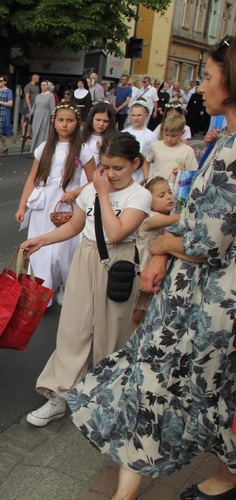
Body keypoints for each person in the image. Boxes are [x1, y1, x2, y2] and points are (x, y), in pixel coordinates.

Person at [66, 36, 236, 500]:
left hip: (209, 299)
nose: (200, 88)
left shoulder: (232, 151)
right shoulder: (227, 141)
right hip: (198, 292)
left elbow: (206, 240)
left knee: (168, 383)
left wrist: (161, 245)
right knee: (170, 383)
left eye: (207, 76)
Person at [22, 131, 151, 427]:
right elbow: (74, 227)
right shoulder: (92, 189)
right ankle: (59, 394)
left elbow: (118, 232)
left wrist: (103, 193)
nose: (110, 173)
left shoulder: (139, 194)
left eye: (118, 167)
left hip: (117, 262)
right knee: (73, 328)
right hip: (85, 256)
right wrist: (42, 239)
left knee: (111, 333)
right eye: (105, 166)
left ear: (135, 163)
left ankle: (107, 397)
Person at [15, 103, 95, 303]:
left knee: (62, 250)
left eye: (69, 121)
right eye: (60, 120)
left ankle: (62, 285)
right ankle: (41, 293)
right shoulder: (44, 147)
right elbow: (32, 178)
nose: (64, 125)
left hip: (66, 204)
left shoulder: (83, 150)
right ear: (54, 121)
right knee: (40, 246)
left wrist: (76, 192)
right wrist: (22, 205)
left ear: (77, 123)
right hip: (44, 203)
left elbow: (95, 181)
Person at [128, 177, 178, 333]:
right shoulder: (149, 217)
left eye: (170, 192)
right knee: (136, 313)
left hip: (156, 270)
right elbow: (171, 220)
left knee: (145, 312)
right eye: (161, 195)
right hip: (142, 270)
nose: (169, 197)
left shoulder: (167, 215)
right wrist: (191, 211)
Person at [142, 113, 197, 183]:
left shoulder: (187, 151)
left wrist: (183, 171)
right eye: (166, 134)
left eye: (174, 136)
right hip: (157, 187)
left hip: (176, 188)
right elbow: (146, 161)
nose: (169, 139)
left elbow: (193, 172)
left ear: (182, 133)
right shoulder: (155, 146)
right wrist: (147, 179)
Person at [122, 103, 157, 184]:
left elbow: (153, 156)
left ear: (146, 115)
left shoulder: (151, 135)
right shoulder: (124, 132)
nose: (136, 118)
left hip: (143, 171)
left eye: (139, 115)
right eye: (133, 115)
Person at [82, 102, 116, 170]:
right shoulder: (82, 136)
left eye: (105, 121)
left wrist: (104, 150)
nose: (101, 124)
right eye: (98, 120)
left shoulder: (113, 140)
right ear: (91, 118)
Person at [29, 80, 56, 158]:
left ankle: (41, 152)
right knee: (35, 134)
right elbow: (34, 106)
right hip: (36, 117)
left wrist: (52, 117)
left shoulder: (50, 96)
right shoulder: (38, 96)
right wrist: (30, 113)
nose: (43, 86)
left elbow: (52, 108)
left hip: (45, 117)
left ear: (47, 86)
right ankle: (34, 151)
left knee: (43, 134)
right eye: (42, 85)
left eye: (44, 85)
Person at [0, 74, 14, 157]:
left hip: (3, 113)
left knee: (1, 133)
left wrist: (0, 102)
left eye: (1, 81)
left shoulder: (9, 91)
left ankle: (5, 147)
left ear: (5, 82)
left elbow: (10, 103)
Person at [23, 74, 40, 141]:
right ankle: (23, 134)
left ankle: (28, 135)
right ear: (35, 78)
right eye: (38, 78)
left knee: (31, 121)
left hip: (35, 105)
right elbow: (27, 97)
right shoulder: (28, 86)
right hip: (28, 106)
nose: (39, 80)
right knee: (26, 120)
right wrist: (30, 107)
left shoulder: (37, 87)